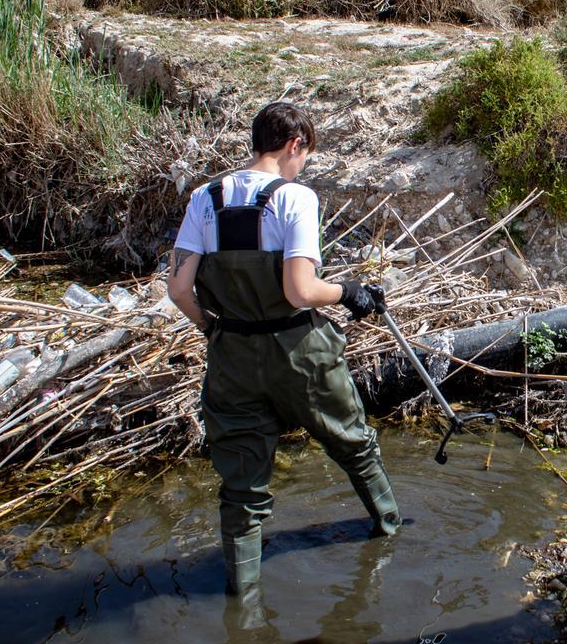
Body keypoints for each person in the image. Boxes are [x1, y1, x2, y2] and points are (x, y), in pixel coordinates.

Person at [167, 101, 401, 598]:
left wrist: (213, 329)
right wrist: (349, 291)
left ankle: (243, 600)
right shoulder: (295, 197)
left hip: (231, 355)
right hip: (299, 351)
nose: (303, 167)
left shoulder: (203, 198)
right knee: (353, 442)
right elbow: (300, 290)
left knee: (242, 483)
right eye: (305, 156)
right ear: (295, 144)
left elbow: (179, 290)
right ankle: (390, 531)